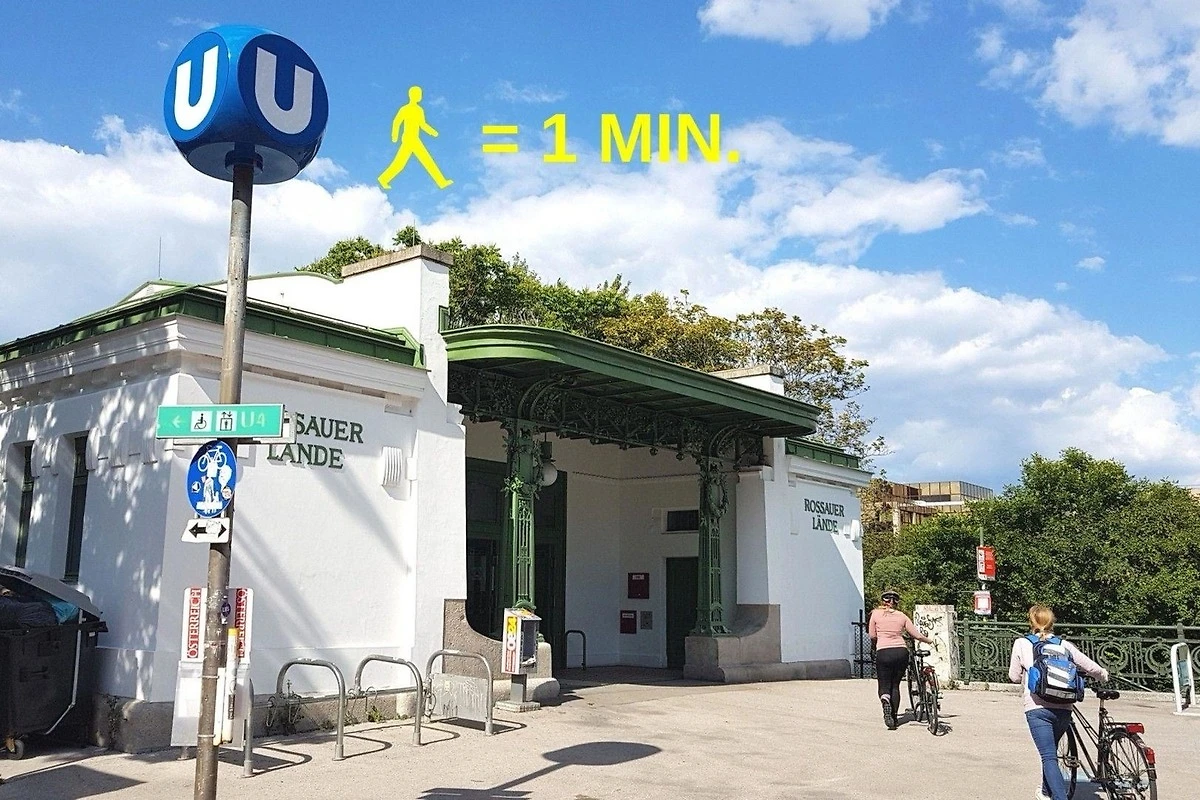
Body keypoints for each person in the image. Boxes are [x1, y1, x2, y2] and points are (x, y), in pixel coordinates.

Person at [1009, 605, 1108, 800]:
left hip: (1037, 708)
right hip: (1064, 706)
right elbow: (1090, 667)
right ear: (1051, 622)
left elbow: (1014, 676)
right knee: (1051, 752)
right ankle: (1045, 792)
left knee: (1048, 756)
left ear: (1031, 623)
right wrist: (1103, 675)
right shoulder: (1064, 644)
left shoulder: (1022, 643)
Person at [869, 589, 935, 730]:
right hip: (901, 652)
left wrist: (877, 643)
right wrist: (929, 641)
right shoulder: (902, 616)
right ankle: (893, 716)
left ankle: (885, 701)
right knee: (895, 685)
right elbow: (916, 635)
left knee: (884, 684)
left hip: (884, 652)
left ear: (883, 601)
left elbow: (872, 635)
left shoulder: (875, 614)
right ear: (896, 602)